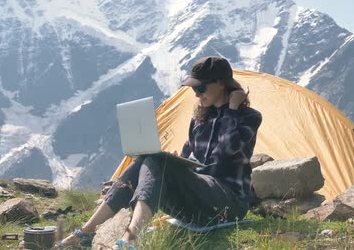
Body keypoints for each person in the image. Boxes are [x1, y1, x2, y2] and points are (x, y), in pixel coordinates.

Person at [58, 56, 262, 249]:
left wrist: (232, 110)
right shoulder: (199, 118)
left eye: (200, 87)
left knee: (157, 161)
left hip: (228, 204)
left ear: (221, 83)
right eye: (194, 89)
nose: (197, 94)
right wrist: (176, 161)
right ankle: (85, 233)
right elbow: (187, 157)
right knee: (148, 159)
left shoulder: (248, 117)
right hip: (196, 199)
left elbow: (227, 150)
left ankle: (131, 237)